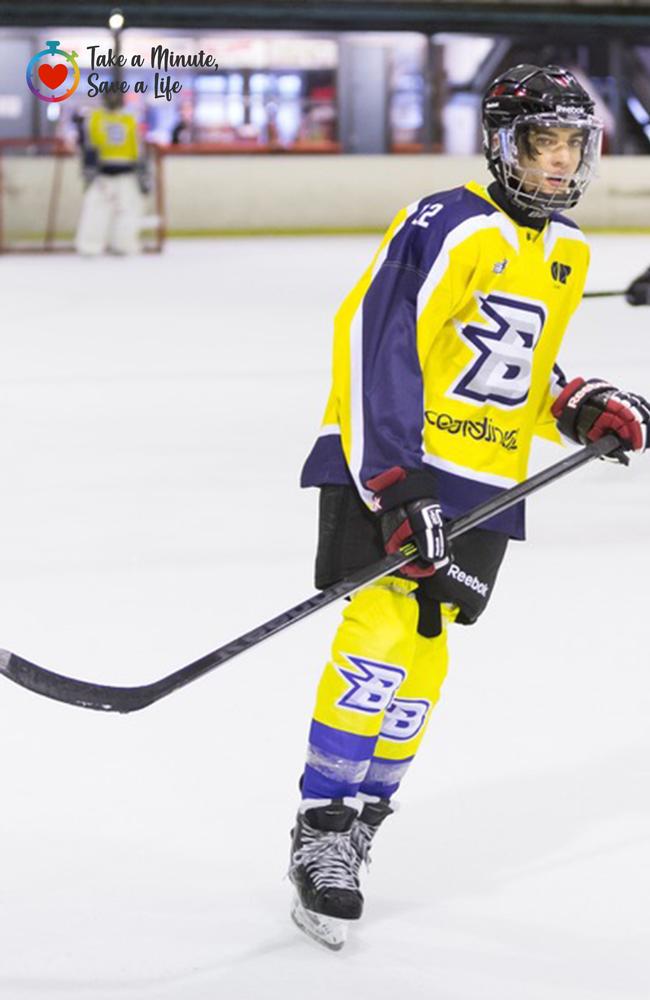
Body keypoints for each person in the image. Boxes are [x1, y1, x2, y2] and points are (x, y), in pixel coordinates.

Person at [288, 64, 650, 949]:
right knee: (376, 631)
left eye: (573, 143)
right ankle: (321, 827)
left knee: (425, 656)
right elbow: (375, 334)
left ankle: (366, 816)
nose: (560, 160)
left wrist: (573, 403)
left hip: (485, 483)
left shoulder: (566, 252)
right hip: (399, 468)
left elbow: (521, 372)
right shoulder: (446, 222)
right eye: (543, 141)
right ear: (501, 144)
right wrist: (395, 481)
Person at [75, 91, 146, 256]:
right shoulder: (126, 118)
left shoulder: (97, 118)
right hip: (108, 172)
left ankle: (116, 245)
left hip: (117, 171)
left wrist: (88, 169)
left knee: (120, 210)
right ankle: (97, 246)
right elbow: (137, 147)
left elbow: (89, 146)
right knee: (105, 209)